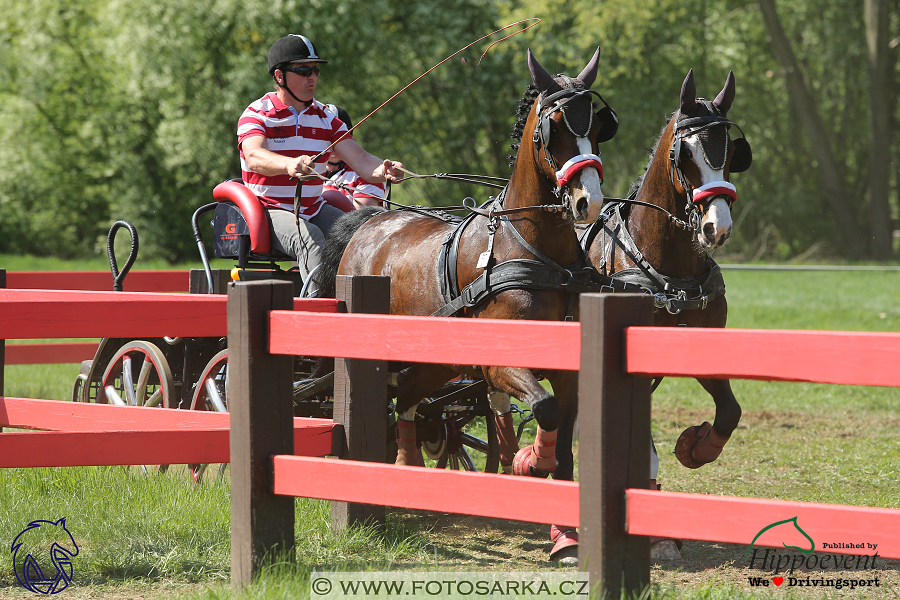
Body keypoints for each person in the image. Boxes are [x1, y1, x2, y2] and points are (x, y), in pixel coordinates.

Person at [236, 34, 402, 289]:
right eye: (303, 70)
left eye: (314, 70)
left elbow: (359, 159)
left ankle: (364, 309)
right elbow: (254, 156)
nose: (311, 77)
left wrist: (383, 170)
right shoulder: (257, 113)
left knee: (363, 233)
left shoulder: (325, 117)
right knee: (312, 241)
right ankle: (320, 317)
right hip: (269, 209)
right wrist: (288, 164)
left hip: (314, 208)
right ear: (279, 76)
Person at [320, 105, 387, 212]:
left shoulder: (367, 173)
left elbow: (360, 220)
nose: (334, 145)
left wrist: (328, 195)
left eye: (341, 138)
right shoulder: (308, 169)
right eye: (328, 138)